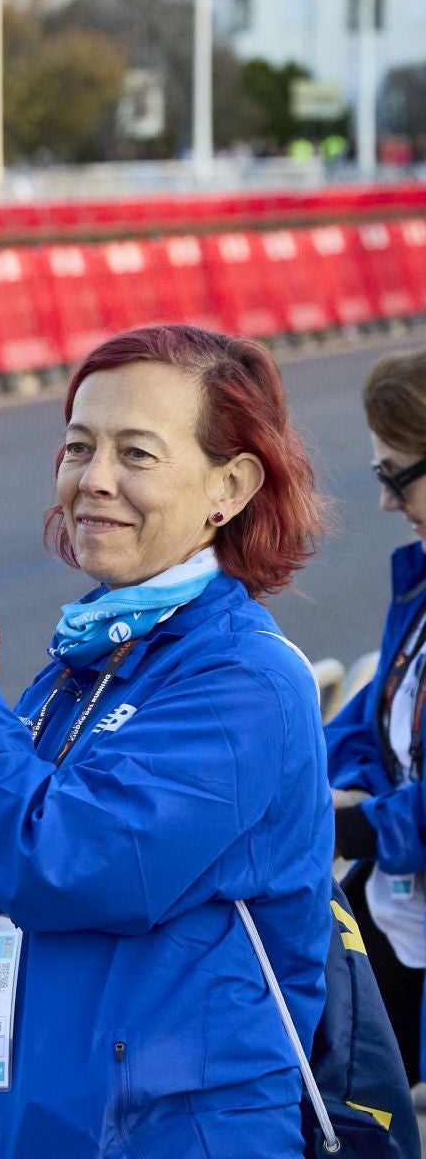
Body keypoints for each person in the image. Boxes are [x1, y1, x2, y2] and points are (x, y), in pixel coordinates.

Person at [0, 324, 332, 1157]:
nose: (94, 480)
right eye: (79, 446)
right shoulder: (81, 665)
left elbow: (69, 865)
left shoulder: (245, 680)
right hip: (24, 1127)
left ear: (229, 486)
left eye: (137, 454)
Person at [329, 348, 426, 1089]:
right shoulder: (418, 590)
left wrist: (362, 826)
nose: (388, 503)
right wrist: (347, 789)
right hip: (399, 919)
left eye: (396, 475)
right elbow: (369, 723)